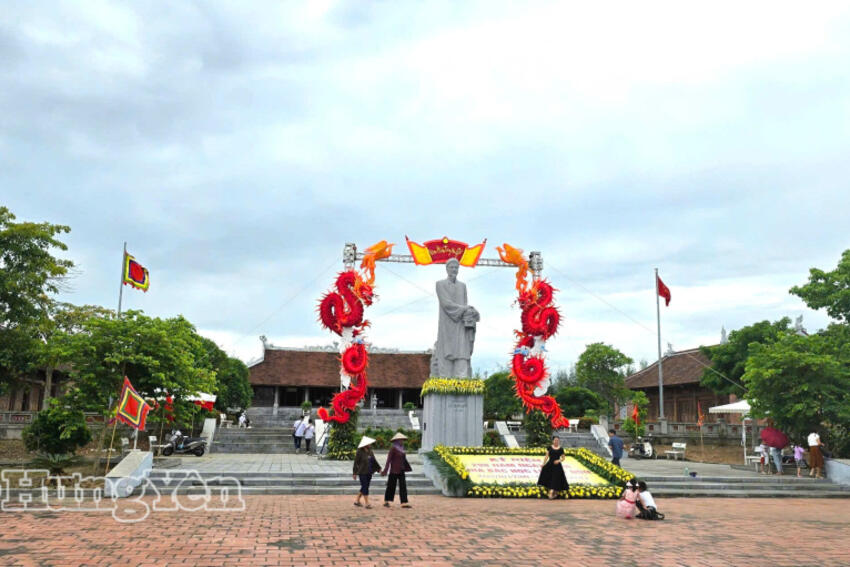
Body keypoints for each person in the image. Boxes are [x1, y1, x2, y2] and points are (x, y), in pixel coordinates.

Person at [433, 258, 480, 378]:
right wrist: (465, 309)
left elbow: (464, 303)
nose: (454, 270)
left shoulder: (462, 286)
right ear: (447, 269)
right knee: (446, 350)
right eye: (451, 267)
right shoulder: (440, 284)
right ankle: (445, 378)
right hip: (446, 323)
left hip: (460, 324)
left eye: (456, 268)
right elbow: (446, 304)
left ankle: (461, 378)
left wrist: (470, 311)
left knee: (461, 350)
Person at [381, 432, 412, 508]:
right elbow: (388, 460)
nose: (402, 441)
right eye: (400, 440)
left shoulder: (402, 448)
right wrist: (385, 470)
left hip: (401, 470)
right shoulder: (393, 448)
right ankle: (386, 501)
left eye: (402, 440)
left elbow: (403, 459)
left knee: (403, 486)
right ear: (397, 440)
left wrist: (406, 467)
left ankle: (404, 502)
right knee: (391, 486)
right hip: (394, 470)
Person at [353, 436, 381, 509]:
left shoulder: (370, 451)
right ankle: (367, 503)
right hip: (362, 472)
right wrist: (354, 473)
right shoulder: (359, 451)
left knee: (365, 486)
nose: (370, 444)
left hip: (369, 472)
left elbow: (374, 461)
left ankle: (357, 500)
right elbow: (356, 462)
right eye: (369, 443)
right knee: (365, 486)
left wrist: (379, 468)